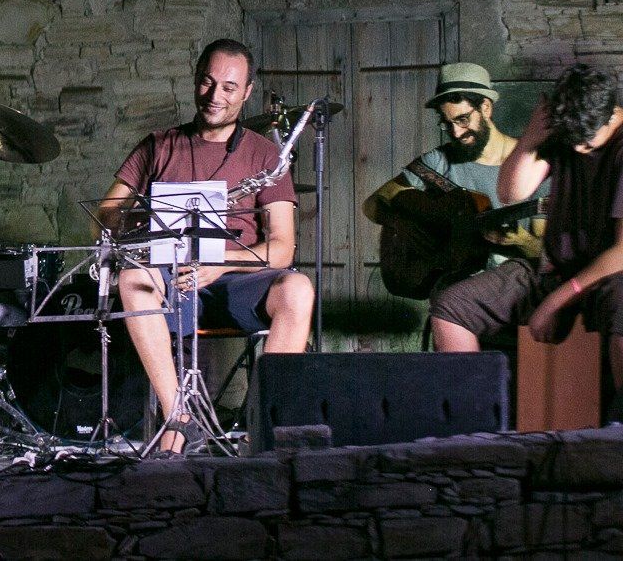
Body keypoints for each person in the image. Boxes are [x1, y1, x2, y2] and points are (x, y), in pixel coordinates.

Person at [98, 38, 313, 453]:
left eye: (229, 87)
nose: (215, 96)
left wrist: (222, 263)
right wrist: (141, 218)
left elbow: (282, 248)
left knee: (298, 289)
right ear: (196, 80)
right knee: (132, 280)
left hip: (235, 280)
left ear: (247, 92)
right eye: (207, 83)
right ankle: (177, 416)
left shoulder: (265, 154)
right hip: (171, 277)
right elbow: (107, 213)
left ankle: (261, 426)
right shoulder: (158, 145)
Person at [430, 63, 623, 397]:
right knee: (451, 306)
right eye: (571, 141)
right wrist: (533, 135)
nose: (577, 149)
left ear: (611, 117)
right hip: (554, 270)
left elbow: (622, 253)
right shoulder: (568, 129)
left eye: (587, 143)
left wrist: (555, 302)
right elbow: (510, 192)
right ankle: (473, 418)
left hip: (608, 276)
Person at [363, 62, 545, 296]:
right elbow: (372, 204)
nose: (456, 133)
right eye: (447, 124)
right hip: (454, 283)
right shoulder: (438, 161)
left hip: (515, 288)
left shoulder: (533, 163)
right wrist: (411, 227)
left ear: (485, 107)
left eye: (463, 119)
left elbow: (544, 252)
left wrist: (522, 240)